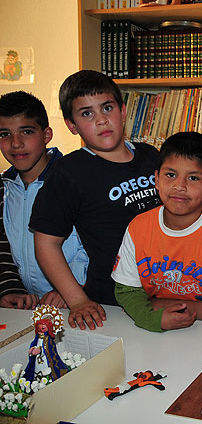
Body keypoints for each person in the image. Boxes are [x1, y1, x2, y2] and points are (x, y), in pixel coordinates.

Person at [29, 70, 161, 330]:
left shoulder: (151, 156)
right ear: (72, 125)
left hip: (169, 288)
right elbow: (46, 243)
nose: (101, 120)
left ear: (122, 111)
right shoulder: (68, 172)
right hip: (113, 300)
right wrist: (78, 300)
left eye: (107, 108)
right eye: (87, 113)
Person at [112, 132, 202, 332]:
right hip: (148, 326)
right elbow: (126, 292)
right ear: (156, 179)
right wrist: (153, 319)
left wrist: (155, 304)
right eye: (170, 175)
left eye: (193, 178)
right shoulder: (138, 227)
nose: (179, 186)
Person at [0, 91, 88, 307]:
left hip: (82, 299)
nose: (16, 143)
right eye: (4, 134)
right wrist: (12, 290)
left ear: (47, 135)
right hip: (33, 309)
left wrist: (70, 287)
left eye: (26, 131)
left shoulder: (76, 180)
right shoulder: (4, 187)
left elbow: (95, 245)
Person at [0, 183, 37, 309]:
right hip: (24, 303)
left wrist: (72, 288)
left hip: (79, 297)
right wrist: (9, 288)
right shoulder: (8, 186)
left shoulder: (69, 179)